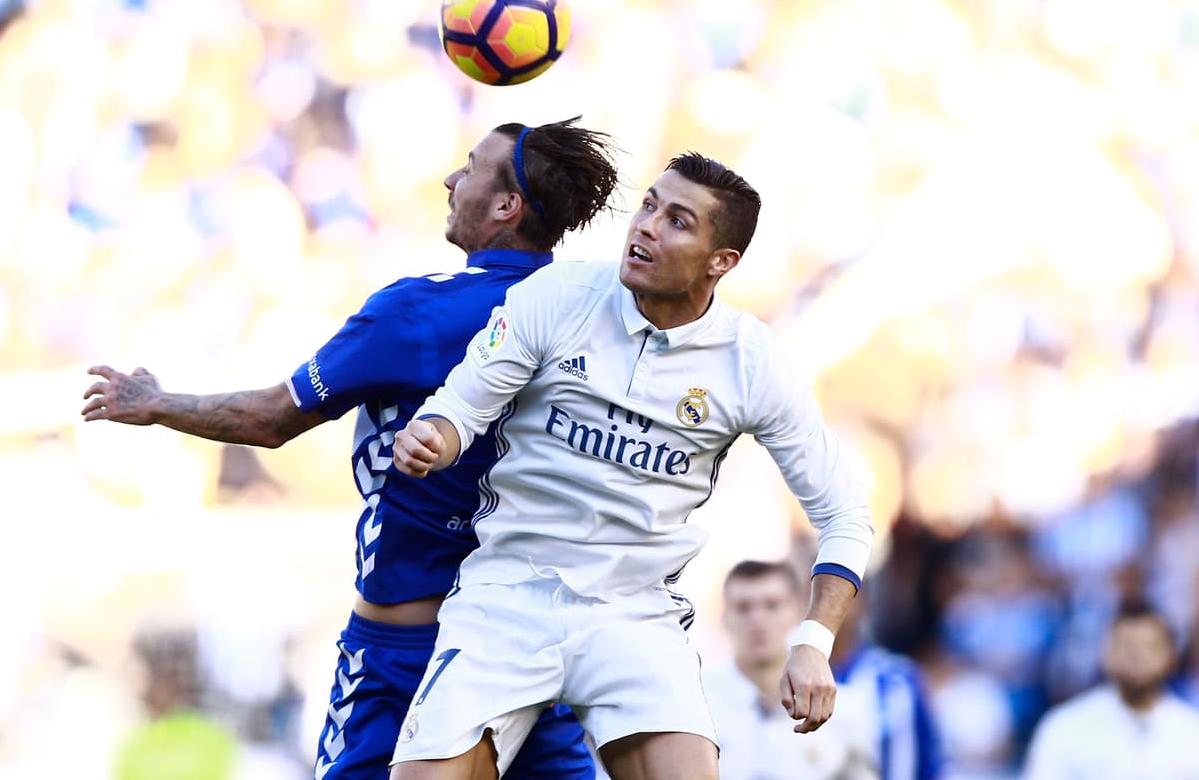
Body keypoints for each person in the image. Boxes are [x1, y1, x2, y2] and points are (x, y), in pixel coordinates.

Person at [80, 117, 622, 780]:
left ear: (507, 205)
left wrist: (158, 404)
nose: (451, 180)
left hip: (410, 652)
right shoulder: (595, 316)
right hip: (531, 647)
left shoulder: (420, 313)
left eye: (471, 168)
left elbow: (273, 419)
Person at [392, 152, 875, 780]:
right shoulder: (558, 296)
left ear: (721, 261)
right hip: (508, 596)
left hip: (632, 614)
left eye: (677, 221)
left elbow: (845, 514)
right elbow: (458, 409)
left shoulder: (751, 362)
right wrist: (432, 437)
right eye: (649, 205)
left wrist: (812, 642)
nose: (646, 225)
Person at [706, 560, 877, 780]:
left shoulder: (842, 709)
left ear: (798, 612)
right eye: (743, 607)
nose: (758, 620)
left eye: (772, 605)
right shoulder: (701, 708)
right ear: (724, 617)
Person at [1021, 599, 1199, 779]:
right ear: (1105, 653)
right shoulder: (1065, 726)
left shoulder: (1191, 731)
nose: (1137, 656)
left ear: (1172, 657)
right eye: (1127, 646)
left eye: (1149, 647)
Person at [830, 583, 944, 780]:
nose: (827, 605)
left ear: (863, 602)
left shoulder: (898, 680)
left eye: (836, 593)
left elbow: (930, 763)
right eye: (814, 594)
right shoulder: (786, 683)